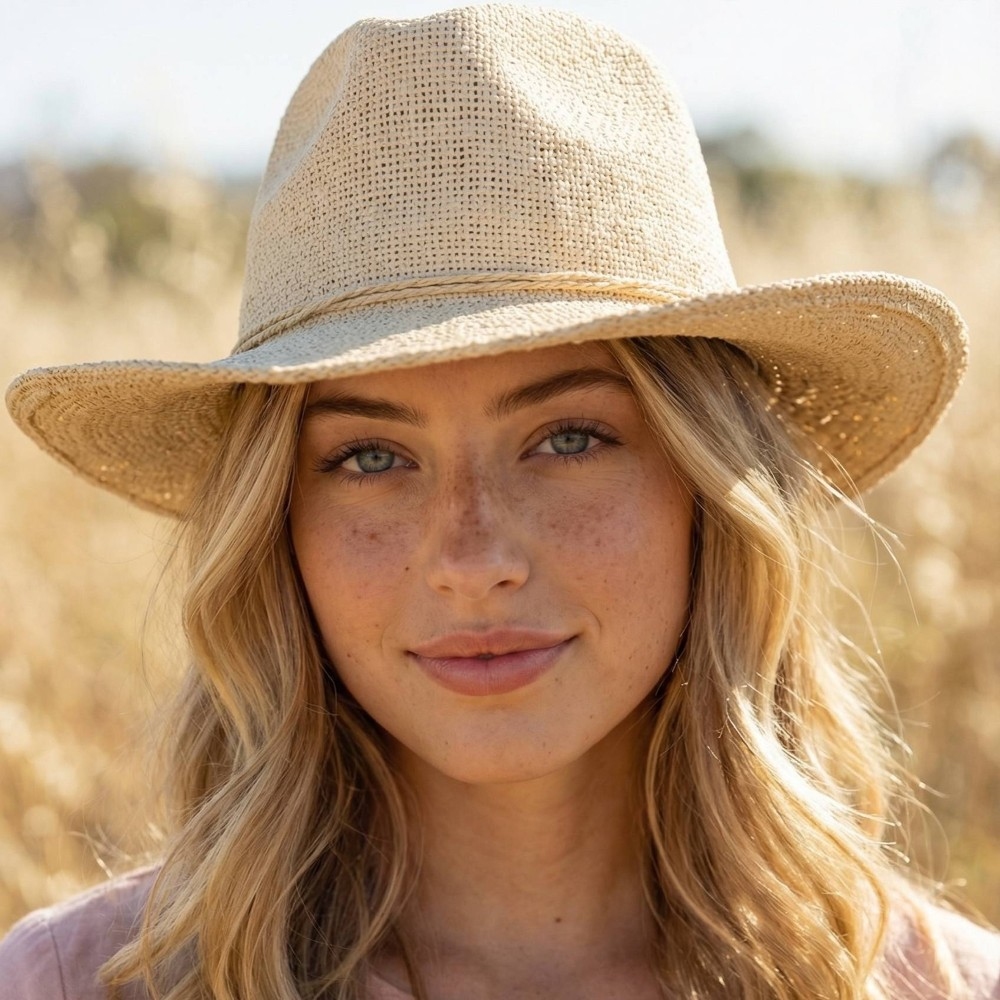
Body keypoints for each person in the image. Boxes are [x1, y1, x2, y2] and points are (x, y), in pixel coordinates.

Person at [1, 6, 997, 999]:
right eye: (370, 457)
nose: (473, 561)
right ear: (276, 528)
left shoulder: (933, 985)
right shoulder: (78, 983)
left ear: (709, 485)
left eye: (569, 439)